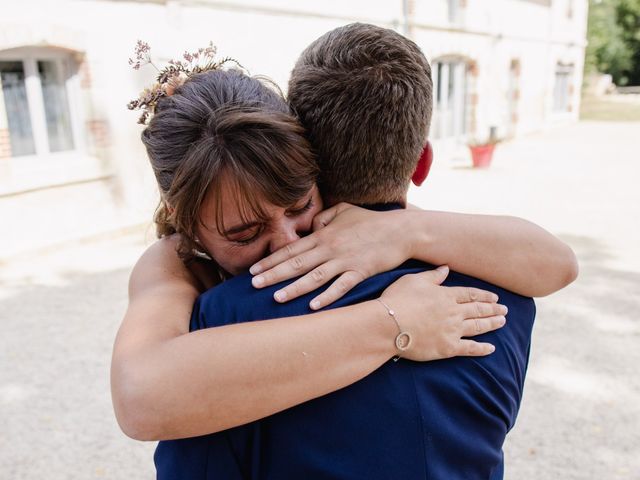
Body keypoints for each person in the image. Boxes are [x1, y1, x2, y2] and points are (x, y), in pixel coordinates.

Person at [149, 24, 577, 479]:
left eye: (297, 207)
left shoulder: (215, 326)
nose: (288, 245)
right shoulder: (504, 297)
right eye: (243, 231)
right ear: (423, 162)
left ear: (308, 161)